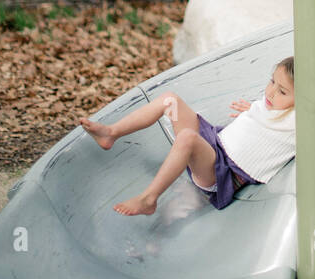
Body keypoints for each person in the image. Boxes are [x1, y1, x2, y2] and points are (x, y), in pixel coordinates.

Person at [79, 57, 296, 215]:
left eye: (282, 91)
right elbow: (267, 119)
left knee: (187, 138)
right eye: (272, 82)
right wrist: (253, 111)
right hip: (213, 140)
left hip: (220, 172)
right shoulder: (273, 105)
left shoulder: (298, 122)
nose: (270, 92)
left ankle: (149, 199)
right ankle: (111, 133)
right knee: (170, 100)